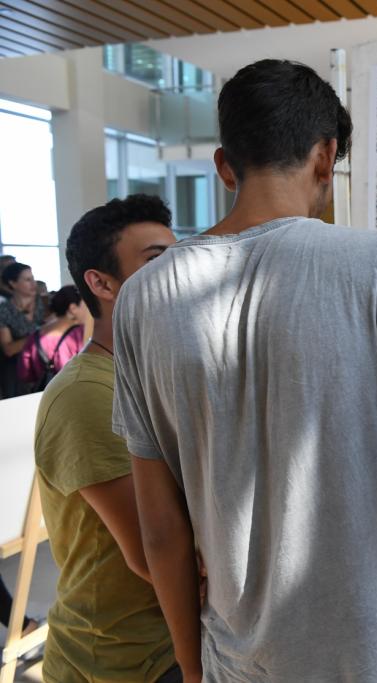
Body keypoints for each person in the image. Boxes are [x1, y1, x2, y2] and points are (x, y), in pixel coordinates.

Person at [111, 59, 377, 683]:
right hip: (374, 652)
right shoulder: (375, 263)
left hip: (235, 657)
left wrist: (193, 667)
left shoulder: (142, 298)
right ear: (325, 157)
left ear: (224, 165)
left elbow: (161, 531)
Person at [34, 194, 180, 683]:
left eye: (179, 258)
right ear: (101, 283)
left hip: (176, 638)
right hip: (124, 659)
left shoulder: (158, 376)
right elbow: (155, 553)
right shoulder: (85, 396)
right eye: (157, 261)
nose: (178, 274)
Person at [17, 285, 87, 391]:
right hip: (75, 392)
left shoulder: (35, 337)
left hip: (47, 394)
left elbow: (25, 374)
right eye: (86, 307)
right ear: (73, 308)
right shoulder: (80, 333)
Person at [0, 262, 46, 397]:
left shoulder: (43, 302)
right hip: (17, 372)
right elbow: (9, 349)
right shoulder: (4, 310)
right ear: (13, 283)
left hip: (43, 367)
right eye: (27, 280)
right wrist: (40, 334)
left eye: (33, 278)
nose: (33, 283)